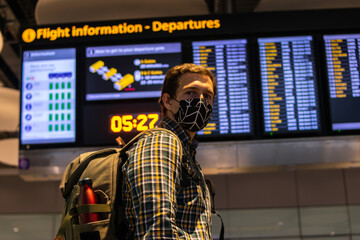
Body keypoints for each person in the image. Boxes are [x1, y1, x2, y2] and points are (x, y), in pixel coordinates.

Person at [121, 63, 217, 239]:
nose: (201, 101)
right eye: (191, 93)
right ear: (168, 101)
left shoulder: (184, 150)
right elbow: (157, 232)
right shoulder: (161, 142)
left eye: (208, 95)